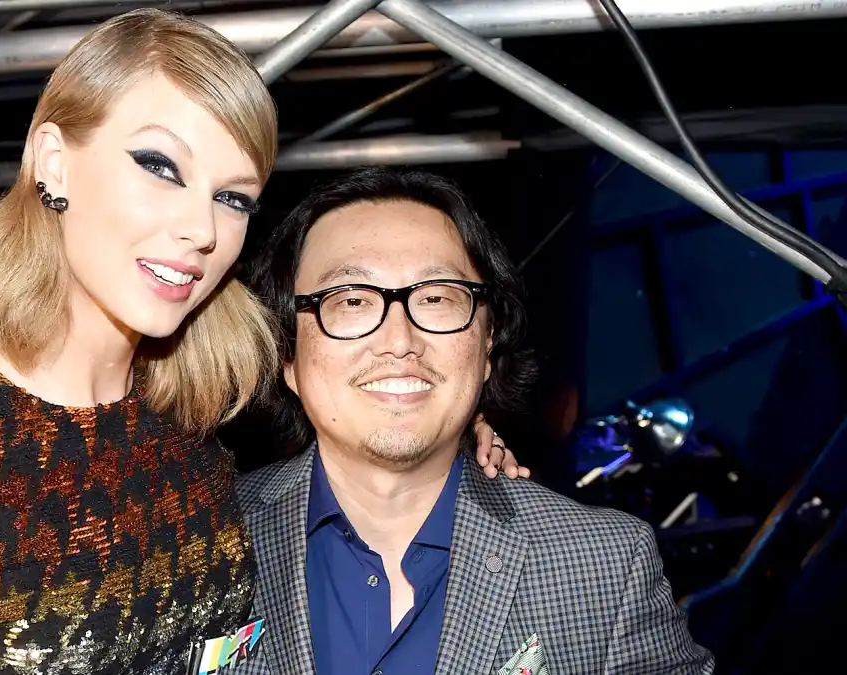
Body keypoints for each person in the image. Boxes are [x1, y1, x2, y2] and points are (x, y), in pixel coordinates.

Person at [0, 12, 523, 675]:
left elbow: (378, 395)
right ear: (53, 162)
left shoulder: (200, 406)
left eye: (232, 197)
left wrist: (462, 435)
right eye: (160, 166)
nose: (202, 229)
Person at [237, 167, 714, 675]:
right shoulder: (197, 533)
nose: (400, 341)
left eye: (437, 298)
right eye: (352, 300)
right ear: (286, 353)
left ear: (487, 345)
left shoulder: (604, 565)